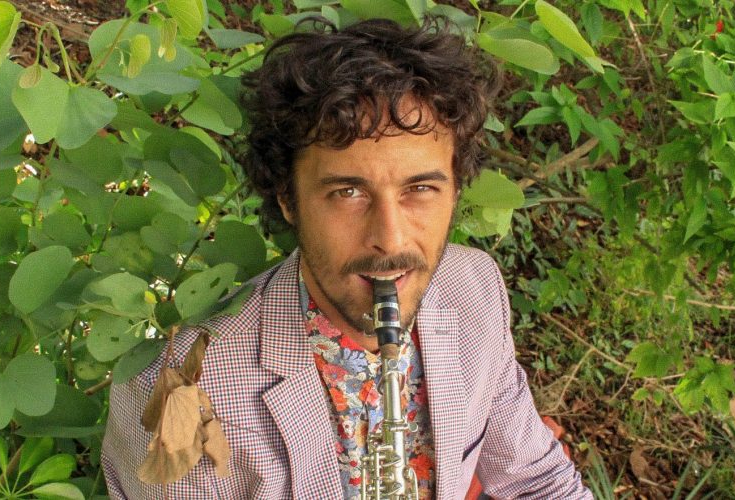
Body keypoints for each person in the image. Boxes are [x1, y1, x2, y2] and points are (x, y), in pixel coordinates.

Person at [102, 17, 592, 499]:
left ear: (456, 191)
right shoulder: (182, 392)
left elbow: (539, 481)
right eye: (348, 192)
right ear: (287, 198)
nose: (390, 239)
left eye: (420, 189)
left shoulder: (474, 287)